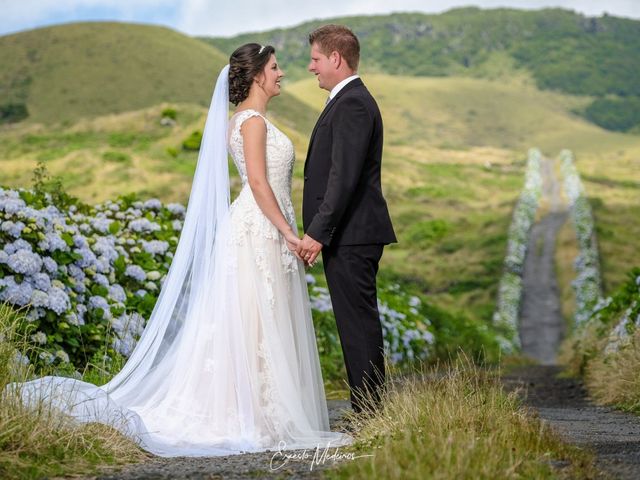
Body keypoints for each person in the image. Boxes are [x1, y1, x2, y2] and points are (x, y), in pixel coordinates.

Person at [12, 43, 352, 457]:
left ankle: (262, 410)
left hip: (263, 225)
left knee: (258, 320)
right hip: (261, 227)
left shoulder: (245, 120)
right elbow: (259, 185)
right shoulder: (252, 123)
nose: (282, 74)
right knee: (253, 319)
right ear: (258, 75)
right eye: (275, 68)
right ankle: (255, 414)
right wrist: (288, 233)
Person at [297, 25, 397, 414]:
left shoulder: (353, 103)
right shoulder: (348, 100)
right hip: (350, 234)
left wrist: (318, 233)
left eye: (316, 59)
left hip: (352, 235)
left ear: (336, 59)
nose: (311, 67)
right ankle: (367, 409)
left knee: (358, 324)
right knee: (355, 322)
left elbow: (344, 177)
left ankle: (369, 412)